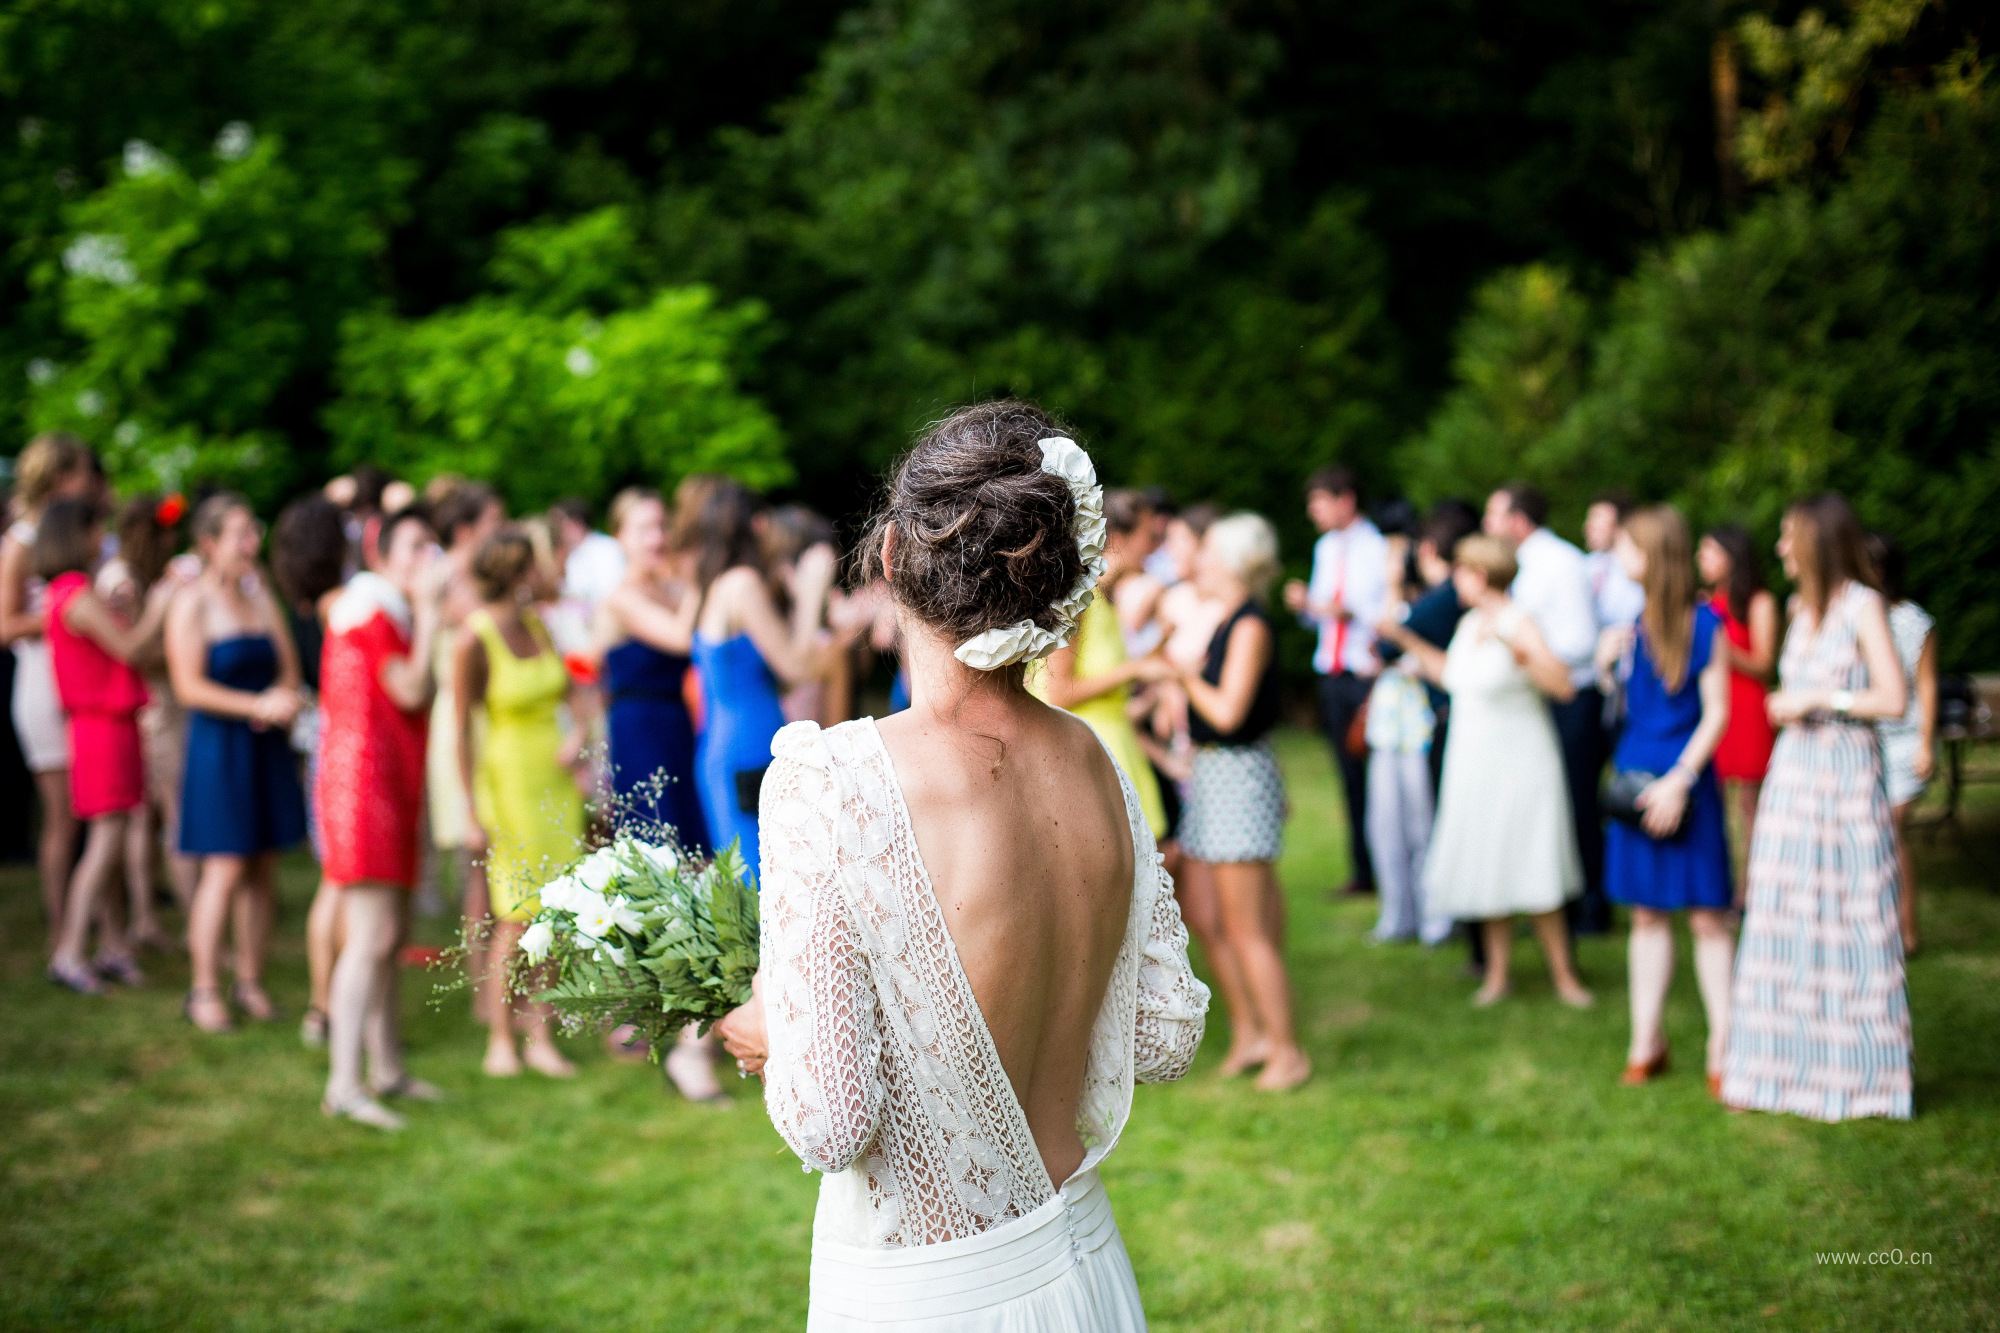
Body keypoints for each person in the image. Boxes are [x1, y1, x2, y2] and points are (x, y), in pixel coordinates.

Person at [713, 400, 1208, 1331]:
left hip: (928, 1294)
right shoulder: (1100, 763)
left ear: (892, 557)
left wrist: (772, 1025)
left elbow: (831, 1121)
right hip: (1088, 1269)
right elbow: (1164, 1034)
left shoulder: (833, 781)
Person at [1722, 493, 1910, 1122]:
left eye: (1786, 536)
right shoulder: (1801, 610)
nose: (1778, 548)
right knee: (1784, 914)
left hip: (1845, 777)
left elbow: (1892, 698)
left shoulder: (1862, 606)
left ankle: (1862, 1074)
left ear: (1815, 542)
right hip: (1795, 778)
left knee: (1850, 915)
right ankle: (1780, 1066)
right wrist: (1786, 702)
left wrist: (1819, 699)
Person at [1407, 535, 1593, 1008]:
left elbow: (1564, 685)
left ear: (1482, 574)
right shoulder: (1469, 623)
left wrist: (1518, 649)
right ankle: (1497, 975)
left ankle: (1565, 976)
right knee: (1488, 860)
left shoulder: (1519, 622)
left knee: (1535, 858)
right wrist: (1401, 640)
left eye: (1462, 571)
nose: (1455, 580)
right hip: (1474, 759)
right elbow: (1453, 676)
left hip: (1521, 758)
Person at [1596, 507, 1735, 1093]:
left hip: (1686, 778)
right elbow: (1625, 706)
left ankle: (1724, 1048)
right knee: (1646, 914)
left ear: (1654, 557)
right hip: (1634, 778)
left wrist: (1680, 780)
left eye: (1627, 548)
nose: (1618, 558)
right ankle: (1645, 1040)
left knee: (1707, 917)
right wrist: (1607, 669)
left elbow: (1718, 712)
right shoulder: (1632, 624)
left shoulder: (1706, 626)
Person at [318, 508, 449, 1130]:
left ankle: (387, 1069)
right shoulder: (368, 612)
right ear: (383, 557)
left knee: (391, 937)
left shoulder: (382, 611)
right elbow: (411, 688)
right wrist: (428, 613)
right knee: (368, 937)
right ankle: (343, 1083)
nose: (431, 558)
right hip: (362, 789)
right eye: (417, 546)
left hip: (390, 785)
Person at [1173, 512, 1311, 1091]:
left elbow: (1228, 712)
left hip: (1235, 778)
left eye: (1204, 554)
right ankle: (1251, 1033)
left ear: (1229, 564)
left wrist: (1182, 677)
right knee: (1212, 919)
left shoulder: (1250, 627)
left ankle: (1287, 1051)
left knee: (1247, 928)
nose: (1195, 564)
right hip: (1214, 777)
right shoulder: (1231, 620)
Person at [167, 494, 308, 1033]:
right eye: (240, 535)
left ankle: (250, 979)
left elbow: (290, 669)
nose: (253, 544)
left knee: (263, 866)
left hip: (265, 745)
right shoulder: (192, 603)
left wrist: (284, 696)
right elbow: (187, 685)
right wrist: (256, 704)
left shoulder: (262, 598)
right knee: (223, 869)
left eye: (254, 532)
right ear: (209, 545)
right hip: (219, 748)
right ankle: (203, 988)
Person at [38, 499, 183, 992]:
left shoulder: (71, 593)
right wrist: (160, 606)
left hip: (107, 725)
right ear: (77, 534)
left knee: (113, 839)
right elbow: (131, 649)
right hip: (102, 727)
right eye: (97, 526)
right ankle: (71, 951)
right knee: (104, 844)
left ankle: (111, 946)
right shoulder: (75, 594)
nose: (104, 536)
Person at [455, 528, 583, 1079]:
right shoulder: (474, 638)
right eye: (534, 565)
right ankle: (499, 1036)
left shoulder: (540, 627)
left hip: (554, 781)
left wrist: (580, 732)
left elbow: (573, 689)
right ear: (515, 572)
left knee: (556, 912)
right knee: (513, 916)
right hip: (508, 783)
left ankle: (540, 1032)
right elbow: (459, 729)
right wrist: (467, 807)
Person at [682, 476, 832, 875]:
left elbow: (776, 676)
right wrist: (811, 591)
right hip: (749, 750)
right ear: (758, 524)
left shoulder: (713, 582)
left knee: (758, 880)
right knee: (764, 884)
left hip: (728, 746)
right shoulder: (741, 583)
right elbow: (797, 669)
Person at [1485, 483, 1608, 933]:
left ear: (1518, 521)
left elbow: (1580, 640)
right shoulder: (1523, 565)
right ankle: (1551, 901)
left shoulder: (1559, 562)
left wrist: (1527, 649)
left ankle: (1591, 909)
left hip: (1573, 698)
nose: (1488, 525)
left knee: (1576, 802)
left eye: (1494, 515)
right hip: (1537, 697)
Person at [1, 432, 97, 951]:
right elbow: (4, 623)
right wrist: (62, 615)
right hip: (42, 682)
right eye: (82, 472)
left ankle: (95, 924)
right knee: (61, 816)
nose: (90, 484)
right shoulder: (21, 540)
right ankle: (62, 926)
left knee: (94, 811)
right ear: (60, 477)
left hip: (82, 679)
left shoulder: (77, 532)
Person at [1366, 505, 1478, 947]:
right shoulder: (1428, 599)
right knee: (1389, 822)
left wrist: (1395, 586)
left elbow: (1385, 640)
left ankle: (1432, 916)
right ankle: (1403, 915)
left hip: (1420, 726)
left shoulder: (1440, 601)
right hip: (1393, 724)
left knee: (1418, 822)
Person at [1030, 488, 1169, 840]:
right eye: (1150, 536)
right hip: (1086, 754)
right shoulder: (1077, 601)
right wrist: (1134, 670)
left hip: (1117, 745)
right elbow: (1058, 692)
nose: (1157, 548)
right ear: (1120, 538)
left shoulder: (1105, 600)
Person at [271, 494, 354, 1047]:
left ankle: (325, 1005)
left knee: (335, 881)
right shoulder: (342, 608)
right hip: (345, 745)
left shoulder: (299, 607)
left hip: (324, 742)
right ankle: (331, 1003)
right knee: (341, 883)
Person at [1284, 467, 1387, 897]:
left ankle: (1385, 868)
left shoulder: (1376, 546)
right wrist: (1305, 608)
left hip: (1365, 672)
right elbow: (1322, 616)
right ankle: (1362, 871)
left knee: (1374, 774)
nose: (1313, 511)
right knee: (1347, 776)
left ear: (1346, 499)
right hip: (1333, 669)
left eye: (1320, 501)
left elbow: (1356, 609)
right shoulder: (1326, 548)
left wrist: (1315, 603)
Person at [94, 492, 189, 951]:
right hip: (151, 711)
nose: (173, 540)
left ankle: (147, 918)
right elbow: (133, 651)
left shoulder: (143, 576)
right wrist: (182, 654)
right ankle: (169, 918)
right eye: (166, 531)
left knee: (146, 819)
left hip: (159, 708)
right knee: (166, 815)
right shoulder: (121, 581)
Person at [595, 487, 708, 849]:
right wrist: (697, 578)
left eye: (662, 526)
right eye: (644, 529)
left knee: (692, 834)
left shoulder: (673, 590)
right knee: (659, 830)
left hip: (679, 720)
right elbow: (680, 638)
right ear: (620, 536)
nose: (657, 538)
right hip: (639, 726)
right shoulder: (621, 597)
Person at [429, 482, 504, 1020]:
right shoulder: (450, 582)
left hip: (492, 724)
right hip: (460, 725)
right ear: (466, 530)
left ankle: (499, 980)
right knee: (477, 864)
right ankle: (483, 987)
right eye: (492, 523)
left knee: (497, 862)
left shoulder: (480, 580)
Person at [1697, 523, 1778, 883]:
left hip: (1748, 709)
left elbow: (1763, 665)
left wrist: (1722, 647)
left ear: (1732, 557)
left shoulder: (1760, 602)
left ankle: (1753, 889)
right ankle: (1723, 885)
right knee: (1717, 806)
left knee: (1749, 807)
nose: (1701, 558)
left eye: (1709, 551)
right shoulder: (1705, 603)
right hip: (1715, 706)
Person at [1866, 532, 1935, 955]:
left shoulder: (1914, 622)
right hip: (1867, 741)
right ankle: (1877, 927)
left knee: (1891, 833)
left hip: (1905, 740)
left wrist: (1926, 743)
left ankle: (1907, 930)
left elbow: (1926, 688)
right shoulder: (1853, 615)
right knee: (1875, 838)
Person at [1582, 490, 1646, 631]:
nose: (1588, 527)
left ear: (1620, 525)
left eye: (1597, 520)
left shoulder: (1635, 568)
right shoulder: (1586, 565)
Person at [551, 495, 626, 612]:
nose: (557, 529)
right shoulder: (571, 554)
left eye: (560, 522)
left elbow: (611, 591)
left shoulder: (605, 548)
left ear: (576, 522)